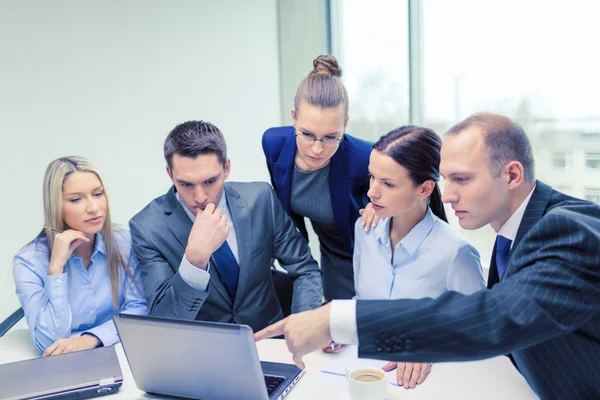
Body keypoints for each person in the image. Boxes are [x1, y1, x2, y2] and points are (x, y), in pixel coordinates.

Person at [255, 113, 600, 399]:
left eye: (462, 179)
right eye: (446, 179)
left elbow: (494, 316)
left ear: (511, 174)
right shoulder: (512, 235)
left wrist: (337, 319)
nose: (447, 196)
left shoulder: (564, 230)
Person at [130, 120, 323, 333]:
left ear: (227, 168)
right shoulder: (147, 229)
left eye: (210, 181)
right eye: (186, 184)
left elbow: (305, 269)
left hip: (270, 341)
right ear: (170, 174)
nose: (200, 197)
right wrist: (194, 261)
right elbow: (164, 322)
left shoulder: (261, 199)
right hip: (203, 353)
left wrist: (305, 327)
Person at [353, 126, 485, 387]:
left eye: (388, 184)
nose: (372, 192)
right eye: (372, 177)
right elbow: (363, 301)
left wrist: (428, 347)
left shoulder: (455, 252)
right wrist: (335, 327)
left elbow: (480, 328)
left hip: (426, 384)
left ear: (424, 189)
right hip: (363, 370)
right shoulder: (365, 229)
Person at [262, 55, 375, 302]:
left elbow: (404, 177)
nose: (316, 149)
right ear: (293, 117)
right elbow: (284, 206)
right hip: (330, 251)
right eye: (307, 134)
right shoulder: (273, 144)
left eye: (330, 137)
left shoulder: (364, 156)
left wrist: (379, 206)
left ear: (346, 123)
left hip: (368, 252)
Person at [13, 156, 148, 356]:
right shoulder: (29, 262)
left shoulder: (124, 241)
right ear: (55, 206)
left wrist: (91, 339)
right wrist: (56, 268)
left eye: (98, 194)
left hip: (119, 351)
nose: (94, 207)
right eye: (76, 199)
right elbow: (48, 343)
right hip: (63, 364)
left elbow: (139, 310)